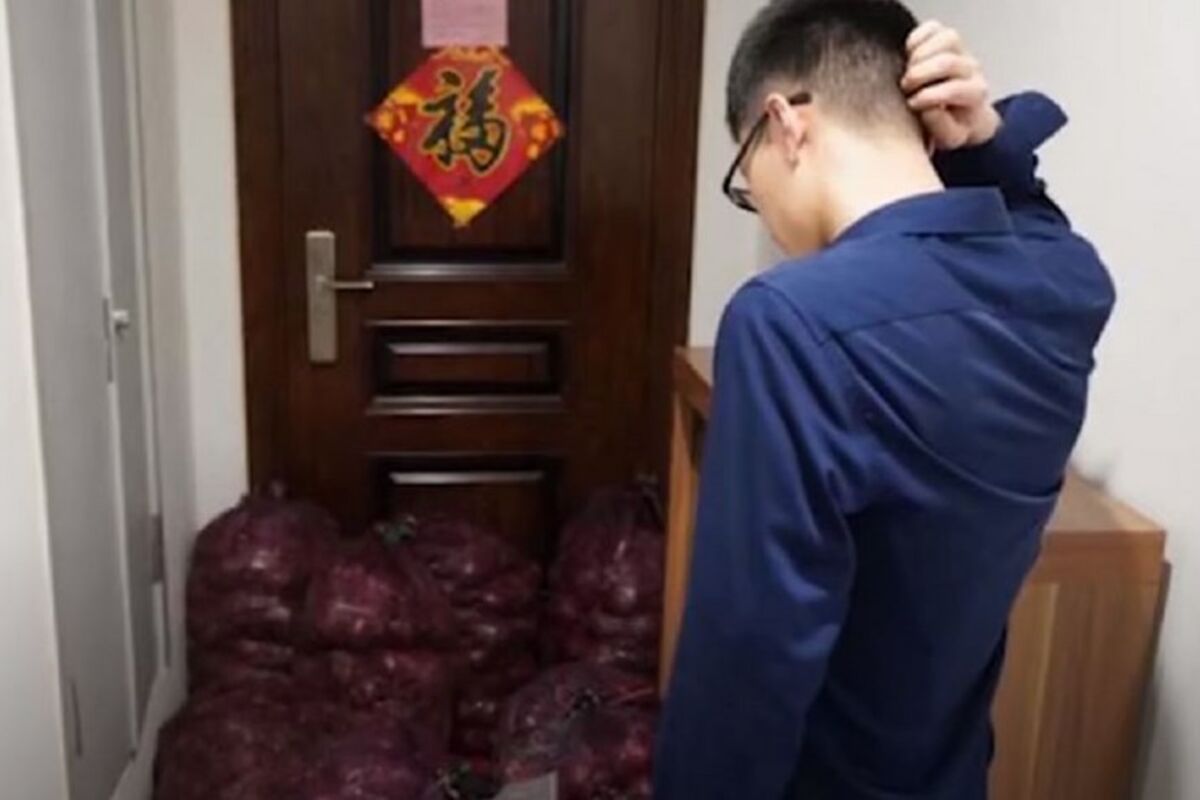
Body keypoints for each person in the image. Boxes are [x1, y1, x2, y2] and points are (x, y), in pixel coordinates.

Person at [654, 1, 1115, 798]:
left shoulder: (791, 319)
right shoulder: (1066, 286)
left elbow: (750, 649)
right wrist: (985, 144)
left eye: (746, 184)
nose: (766, 216)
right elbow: (1038, 226)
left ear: (784, 124)